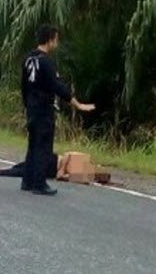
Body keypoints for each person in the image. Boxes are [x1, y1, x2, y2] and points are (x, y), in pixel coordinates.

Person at [20, 24, 95, 195]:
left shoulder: (28, 58)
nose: (57, 43)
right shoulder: (46, 61)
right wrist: (77, 103)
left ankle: (28, 180)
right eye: (56, 39)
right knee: (43, 147)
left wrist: (27, 105)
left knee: (33, 145)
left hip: (32, 107)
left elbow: (23, 86)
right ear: (50, 40)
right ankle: (39, 183)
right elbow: (57, 86)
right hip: (43, 109)